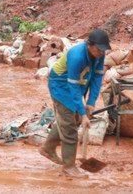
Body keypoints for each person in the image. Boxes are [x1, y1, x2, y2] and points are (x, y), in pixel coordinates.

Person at [39, 29, 110, 177]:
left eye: (104, 49)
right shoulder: (76, 56)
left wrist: (91, 103)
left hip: (78, 83)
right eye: (99, 49)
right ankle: (69, 167)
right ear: (89, 45)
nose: (102, 52)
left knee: (72, 119)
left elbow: (97, 79)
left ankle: (48, 148)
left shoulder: (99, 55)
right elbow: (73, 87)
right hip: (61, 85)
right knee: (70, 129)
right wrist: (83, 114)